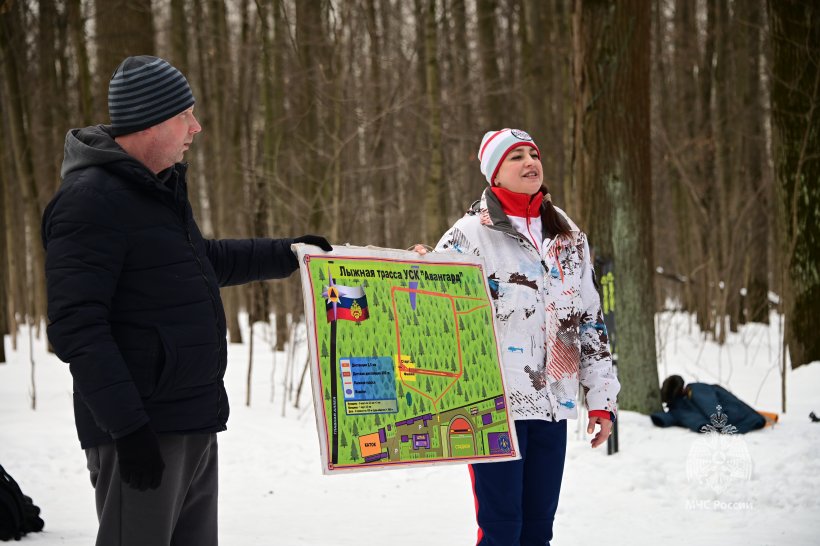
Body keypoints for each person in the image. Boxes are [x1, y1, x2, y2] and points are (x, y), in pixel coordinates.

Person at [41, 55, 331, 546]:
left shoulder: (155, 190)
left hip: (190, 415)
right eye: (185, 116)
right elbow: (77, 327)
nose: (196, 127)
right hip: (142, 427)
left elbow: (201, 260)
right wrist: (129, 430)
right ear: (151, 120)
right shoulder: (90, 200)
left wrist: (288, 254)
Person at [427, 128, 620, 545]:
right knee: (502, 530)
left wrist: (601, 400)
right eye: (516, 157)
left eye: (533, 153)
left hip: (553, 403)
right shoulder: (469, 235)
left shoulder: (568, 235)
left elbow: (589, 319)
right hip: (495, 408)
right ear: (495, 173)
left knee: (538, 530)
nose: (530, 162)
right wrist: (422, 267)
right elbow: (431, 308)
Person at [651, 375, 773, 433]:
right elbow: (680, 416)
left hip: (739, 417)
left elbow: (710, 405)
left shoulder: (695, 390)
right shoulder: (679, 406)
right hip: (739, 419)